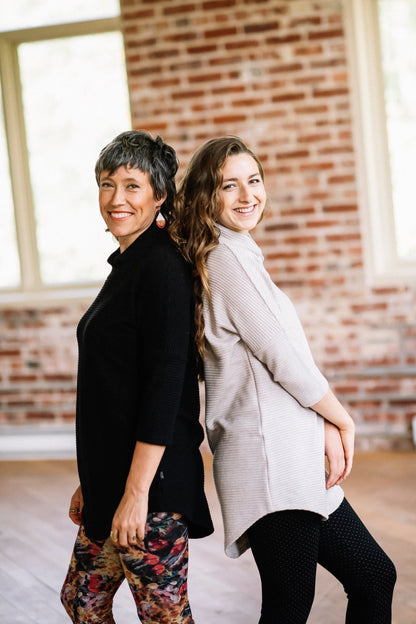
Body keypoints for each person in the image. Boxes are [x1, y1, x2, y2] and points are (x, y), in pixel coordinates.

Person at [171, 136, 396, 623]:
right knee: (289, 608)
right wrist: (343, 421)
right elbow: (283, 359)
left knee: (374, 575)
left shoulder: (238, 252)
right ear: (207, 196)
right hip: (270, 462)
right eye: (229, 186)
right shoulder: (225, 258)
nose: (247, 195)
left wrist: (323, 428)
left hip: (292, 456)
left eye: (253, 181)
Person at [60, 130, 213, 624]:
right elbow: (115, 388)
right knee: (82, 601)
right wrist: (96, 480)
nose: (116, 198)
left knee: (164, 617)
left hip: (152, 490)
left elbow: (166, 389)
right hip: (115, 481)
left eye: (132, 185)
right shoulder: (128, 262)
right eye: (107, 184)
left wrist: (134, 494)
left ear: (159, 195)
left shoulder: (162, 268)